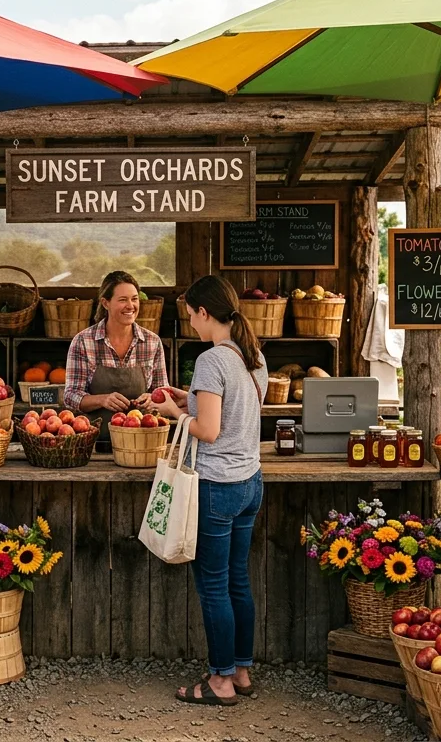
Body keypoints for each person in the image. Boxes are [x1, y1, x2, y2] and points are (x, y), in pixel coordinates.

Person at [149, 274, 267, 706]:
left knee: (213, 587)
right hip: (250, 482)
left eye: (191, 316)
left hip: (217, 487)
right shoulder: (252, 356)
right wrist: (189, 399)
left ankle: (218, 683)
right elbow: (237, 412)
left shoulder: (211, 361)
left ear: (204, 312)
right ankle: (240, 671)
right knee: (238, 581)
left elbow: (210, 430)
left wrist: (172, 412)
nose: (191, 325)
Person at [62, 271, 169, 437]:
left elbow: (163, 394)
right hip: (93, 443)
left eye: (134, 299)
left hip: (140, 443)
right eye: (122, 300)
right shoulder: (83, 341)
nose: (130, 305)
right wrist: (102, 399)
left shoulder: (152, 342)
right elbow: (70, 396)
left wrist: (152, 399)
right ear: (105, 303)